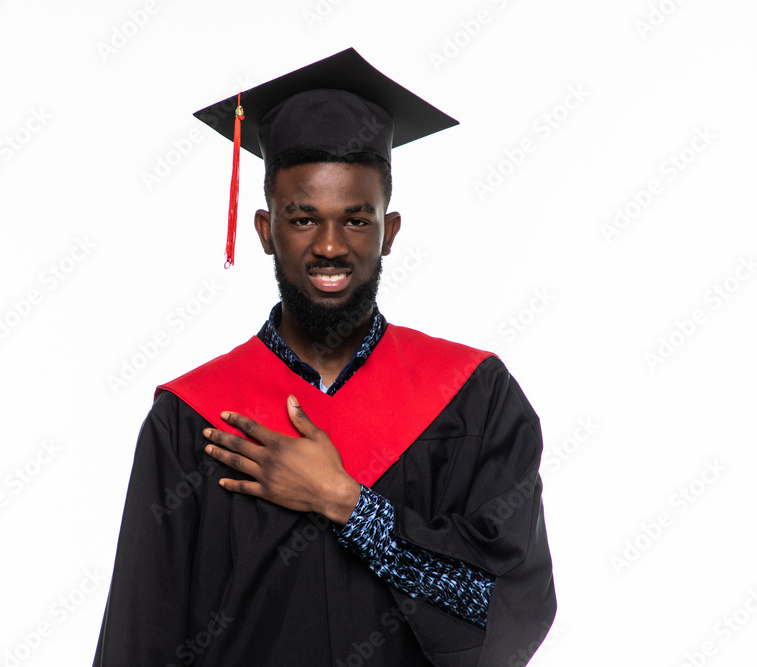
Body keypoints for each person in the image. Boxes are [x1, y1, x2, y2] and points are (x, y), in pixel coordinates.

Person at [94, 48, 556, 667]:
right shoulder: (192, 420)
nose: (331, 245)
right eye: (303, 218)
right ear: (265, 230)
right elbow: (140, 639)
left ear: (390, 231)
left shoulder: (475, 397)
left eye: (356, 220)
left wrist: (348, 506)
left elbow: (505, 603)